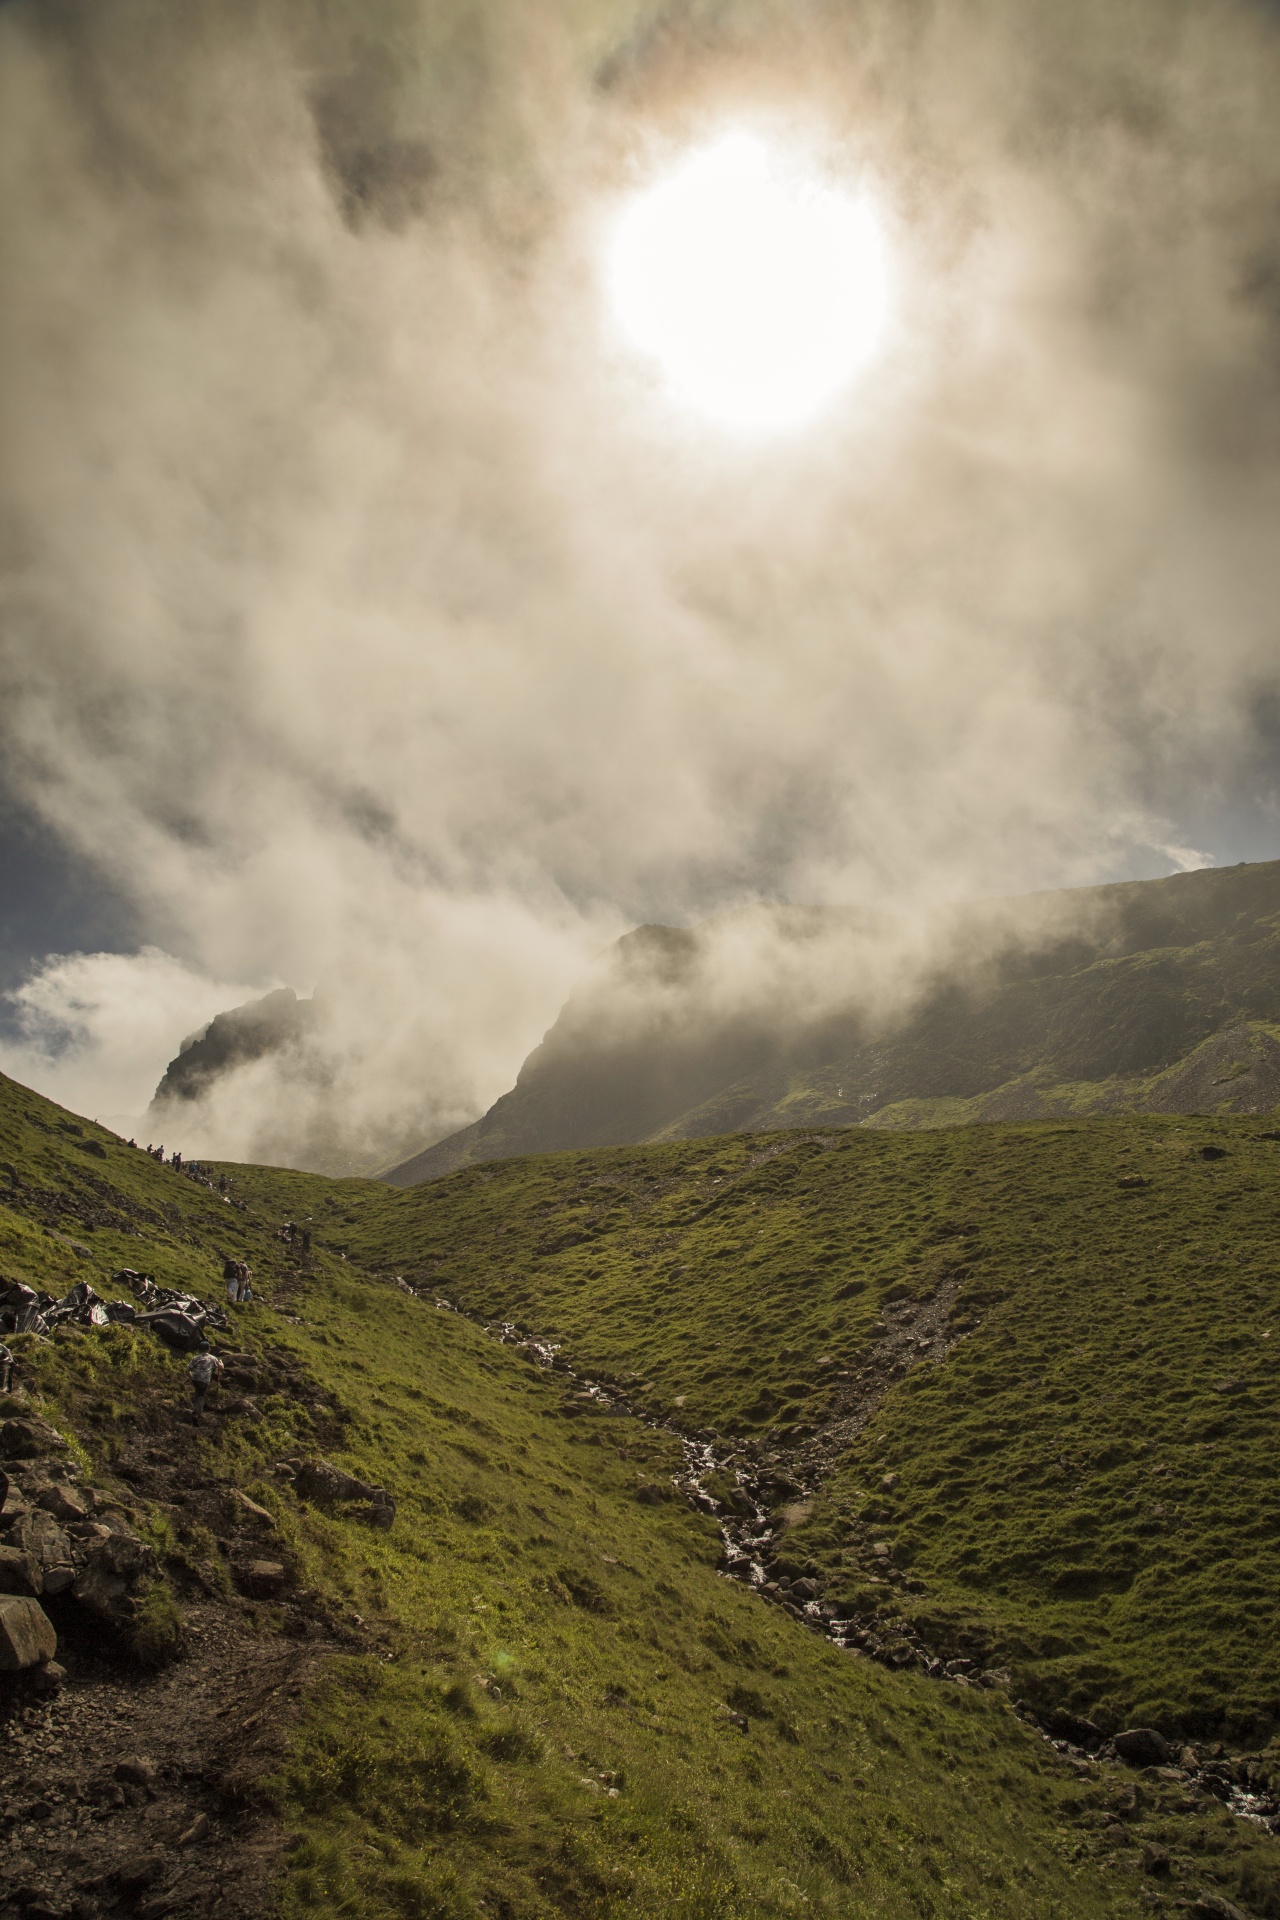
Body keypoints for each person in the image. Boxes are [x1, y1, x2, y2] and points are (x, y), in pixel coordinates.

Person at [188, 1342, 223, 1424]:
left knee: (198, 1393)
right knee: (201, 1396)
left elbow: (187, 1370)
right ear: (209, 1350)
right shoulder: (212, 1358)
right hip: (204, 1380)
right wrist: (221, 1362)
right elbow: (221, 1367)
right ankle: (196, 1414)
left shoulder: (196, 1358)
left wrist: (191, 1378)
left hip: (195, 1379)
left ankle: (195, 1410)